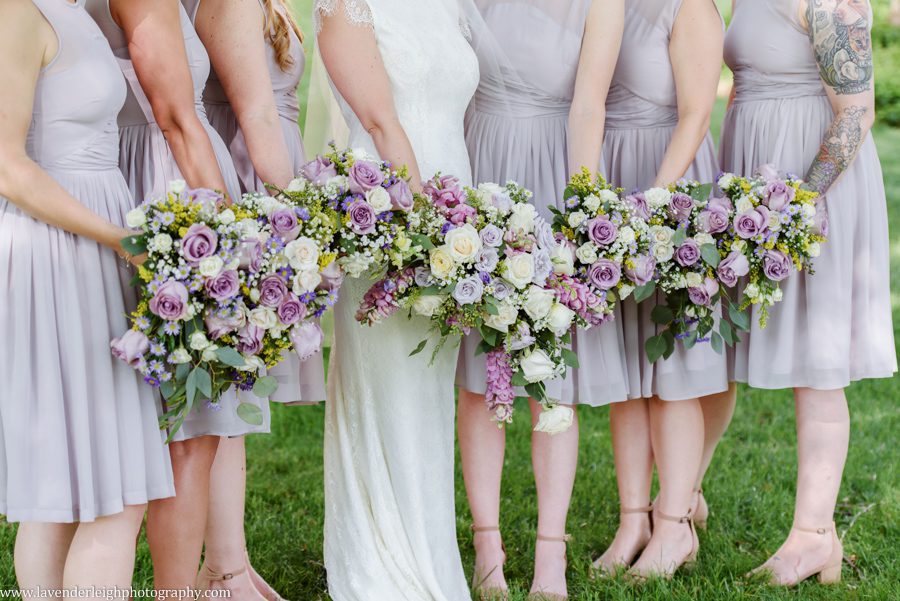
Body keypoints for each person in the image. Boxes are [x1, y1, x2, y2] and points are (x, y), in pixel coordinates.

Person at [85, 0, 268, 592]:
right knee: (189, 429)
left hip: (152, 174)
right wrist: (232, 249)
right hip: (173, 185)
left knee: (186, 425)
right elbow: (175, 118)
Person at [719, 0, 895, 586]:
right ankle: (680, 507)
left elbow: (856, 114)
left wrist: (798, 201)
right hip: (760, 188)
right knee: (734, 356)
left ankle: (814, 536)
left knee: (818, 365)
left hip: (817, 190)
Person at [0, 0, 173, 595]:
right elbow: (6, 166)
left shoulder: (72, 11)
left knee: (79, 490)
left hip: (94, 244)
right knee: (109, 494)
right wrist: (121, 238)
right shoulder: (16, 12)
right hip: (59, 254)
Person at [455, 1, 624, 598]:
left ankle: (550, 554)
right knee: (479, 376)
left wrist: (580, 215)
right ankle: (486, 546)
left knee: (548, 373)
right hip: (476, 167)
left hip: (551, 174)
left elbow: (589, 104)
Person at [314, 0, 479, 598]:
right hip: (387, 209)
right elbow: (381, 122)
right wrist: (423, 229)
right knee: (388, 385)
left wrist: (466, 228)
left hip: (453, 206)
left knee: (430, 391)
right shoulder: (345, 8)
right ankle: (380, 566)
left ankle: (432, 555)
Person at [185, 0, 327, 597]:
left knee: (235, 400)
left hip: (269, 179)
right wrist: (302, 221)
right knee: (227, 395)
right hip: (254, 184)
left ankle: (228, 562)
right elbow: (256, 114)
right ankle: (222, 569)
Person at [591, 0, 730, 580]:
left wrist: (649, 208)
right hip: (611, 179)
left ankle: (674, 526)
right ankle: (633, 521)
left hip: (669, 186)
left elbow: (697, 115)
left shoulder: (690, 7)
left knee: (673, 370)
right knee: (626, 371)